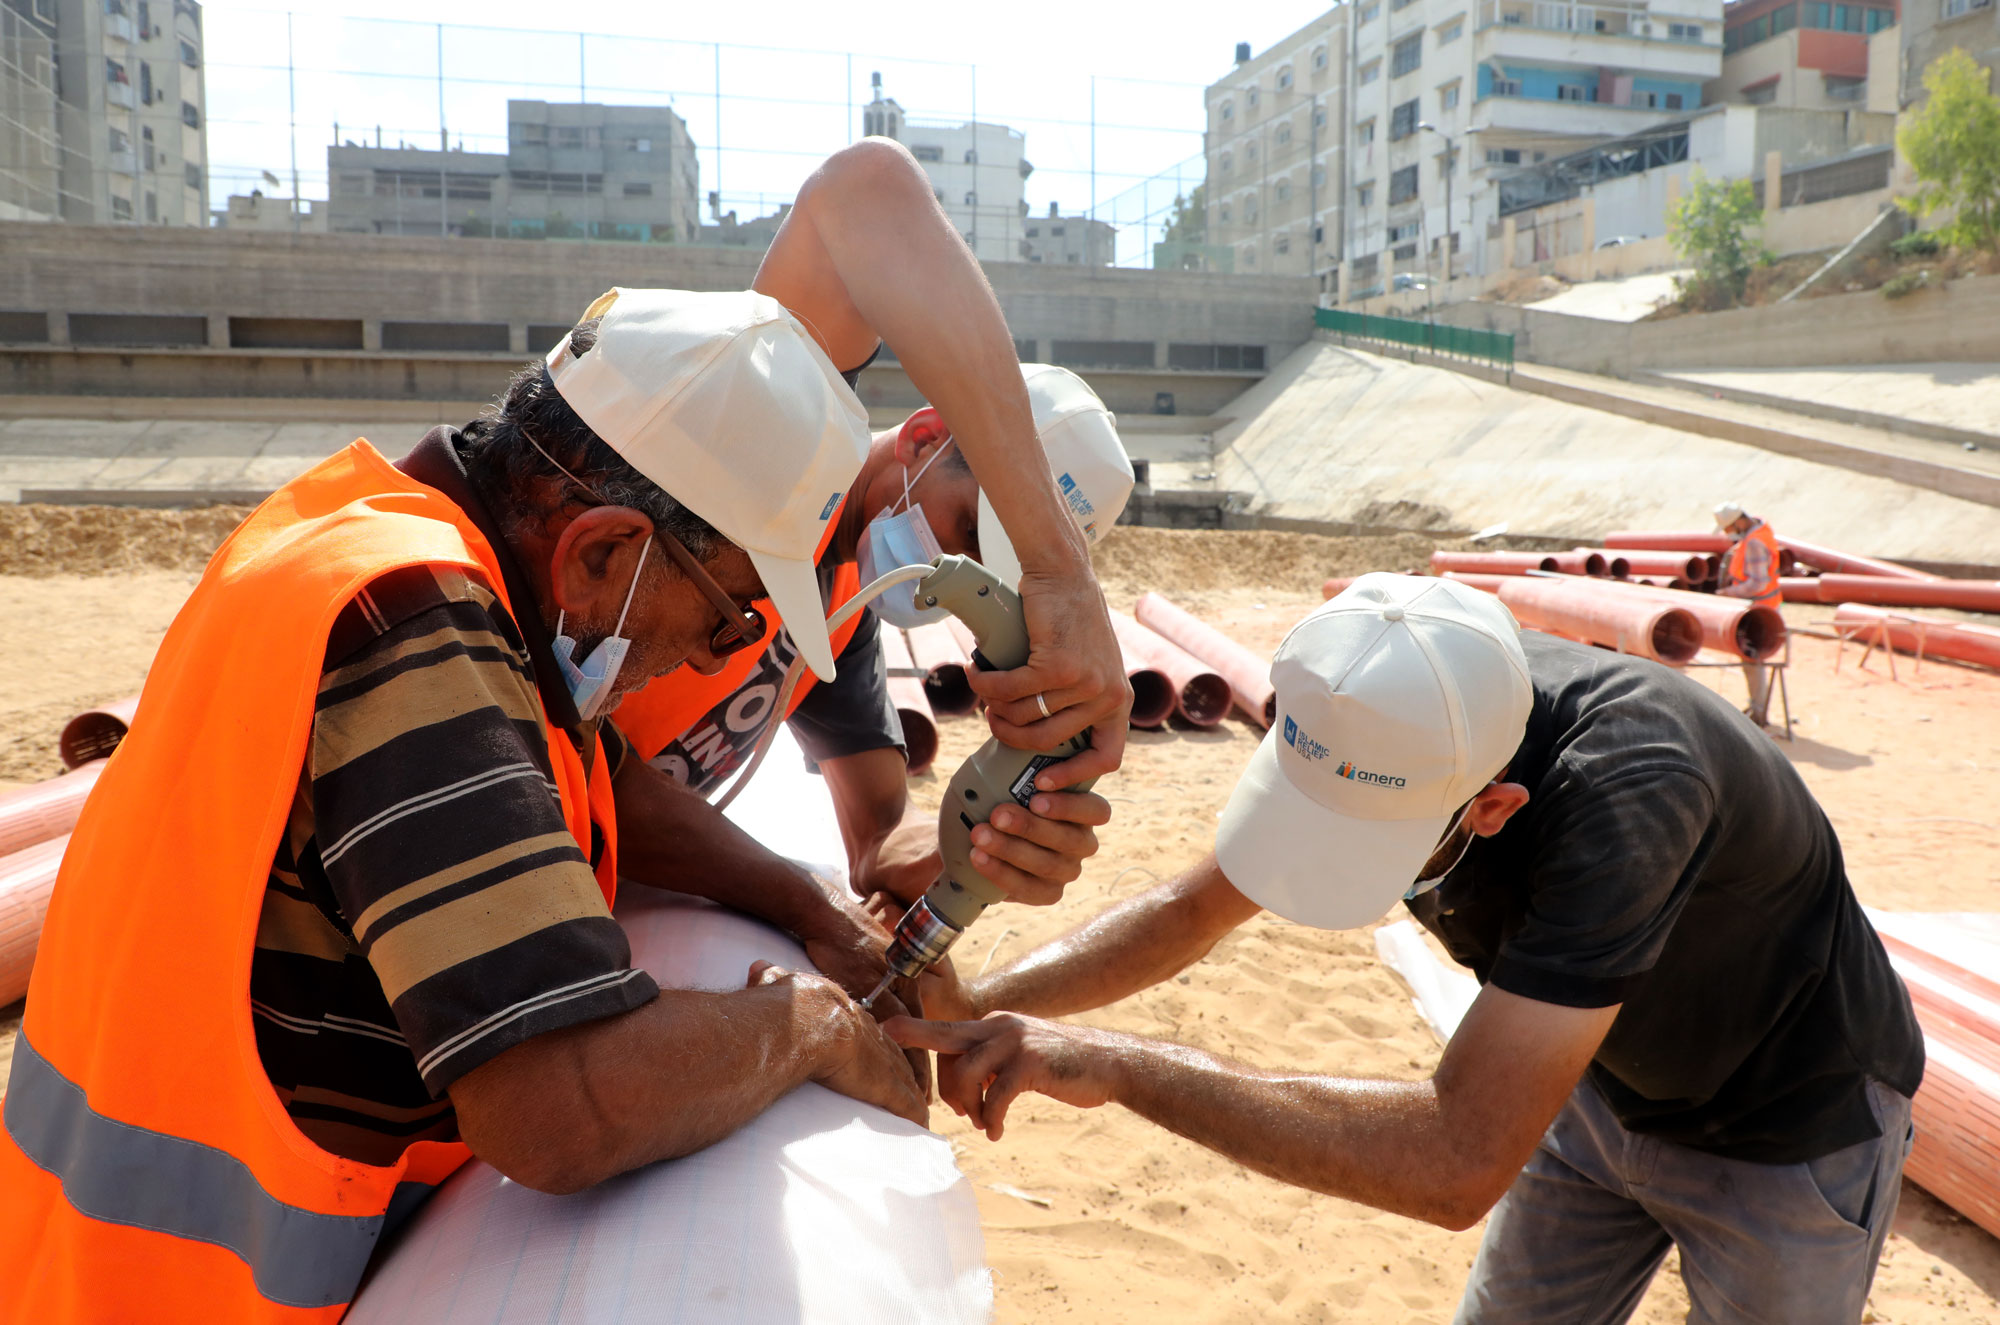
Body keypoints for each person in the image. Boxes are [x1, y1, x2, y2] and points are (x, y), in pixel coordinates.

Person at [0, 138, 1128, 1321]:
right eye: (727, 604)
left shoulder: (377, 538)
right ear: (602, 548)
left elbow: (601, 786)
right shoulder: (416, 627)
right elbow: (561, 1105)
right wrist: (801, 1023)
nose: (709, 650)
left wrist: (813, 916)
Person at [894, 573, 1924, 1325]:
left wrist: (1115, 1064)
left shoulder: (1631, 788)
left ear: (1493, 805)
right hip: (1594, 1084)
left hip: (1788, 1128)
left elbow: (1454, 1158)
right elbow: (1185, 910)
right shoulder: (1392, 700)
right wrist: (981, 998)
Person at [612, 360, 1133, 906]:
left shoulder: (841, 612)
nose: (962, 572)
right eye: (968, 531)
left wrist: (977, 843)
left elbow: (877, 836)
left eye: (991, 575)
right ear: (923, 439)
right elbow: (581, 772)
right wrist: (810, 907)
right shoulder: (730, 510)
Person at [1715, 498, 1782, 725]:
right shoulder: (1757, 535)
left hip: (1760, 611)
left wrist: (1727, 594)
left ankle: (1759, 713)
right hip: (1762, 608)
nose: (1727, 534)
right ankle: (1757, 708)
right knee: (1751, 661)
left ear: (1739, 523)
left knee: (1753, 661)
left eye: (1728, 529)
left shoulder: (1754, 544)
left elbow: (1757, 584)